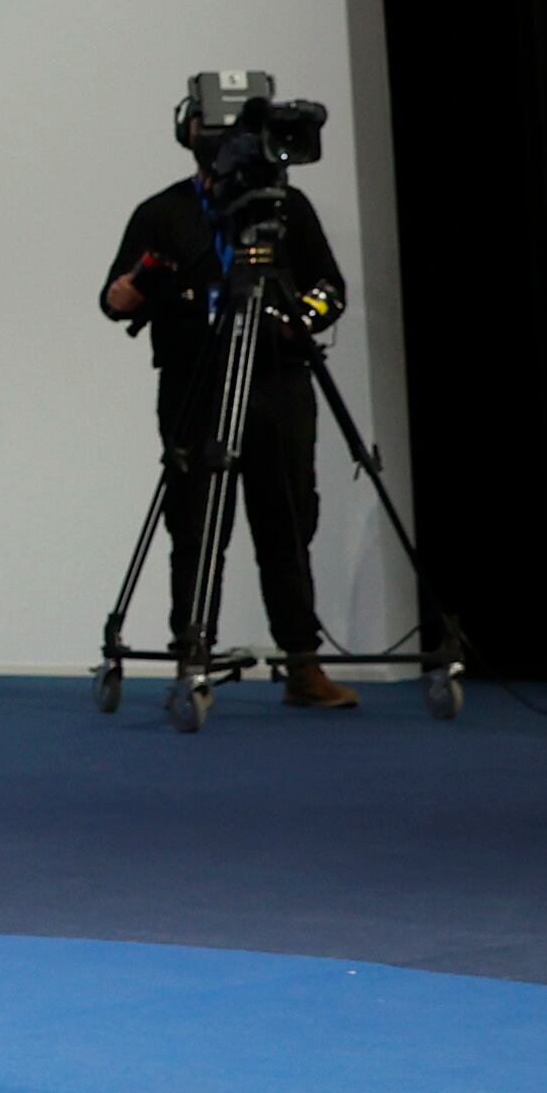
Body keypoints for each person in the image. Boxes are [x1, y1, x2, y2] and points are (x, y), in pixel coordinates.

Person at [102, 114, 354, 706]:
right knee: (194, 526)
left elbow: (329, 289)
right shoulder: (162, 213)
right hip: (196, 384)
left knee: (288, 526)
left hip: (277, 383)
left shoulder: (286, 210)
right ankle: (192, 658)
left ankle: (302, 665)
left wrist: (298, 323)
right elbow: (113, 301)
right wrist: (145, 275)